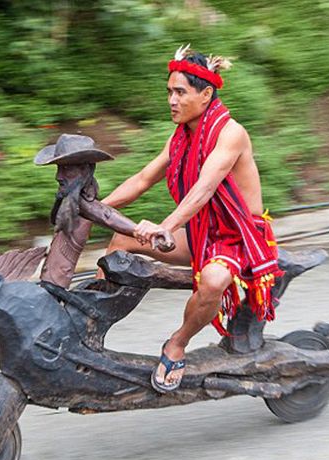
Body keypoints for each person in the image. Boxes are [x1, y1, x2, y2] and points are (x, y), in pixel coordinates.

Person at [99, 45, 283, 392]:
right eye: (169, 92)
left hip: (236, 238)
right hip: (202, 233)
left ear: (206, 94)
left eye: (180, 92)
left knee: (213, 281)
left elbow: (203, 189)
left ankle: (176, 344)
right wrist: (92, 207)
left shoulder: (231, 133)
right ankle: (90, 316)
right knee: (121, 239)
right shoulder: (181, 135)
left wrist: (164, 228)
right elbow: (141, 180)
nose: (172, 100)